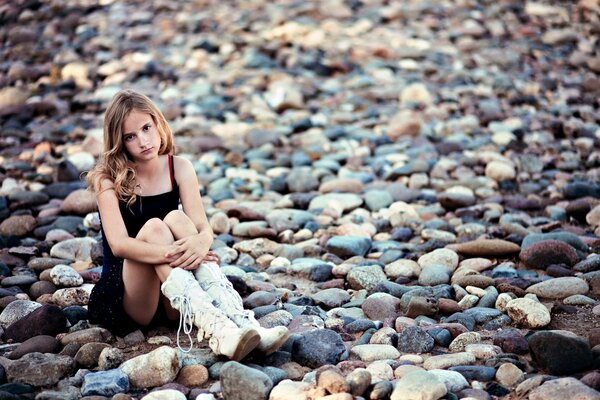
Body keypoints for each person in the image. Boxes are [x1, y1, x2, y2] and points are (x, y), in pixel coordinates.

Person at [86, 89, 288, 360]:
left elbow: (204, 230)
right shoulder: (107, 179)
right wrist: (180, 253)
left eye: (146, 128)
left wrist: (199, 245)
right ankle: (219, 331)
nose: (143, 141)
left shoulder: (179, 167)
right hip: (130, 296)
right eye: (130, 136)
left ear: (158, 123)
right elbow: (119, 245)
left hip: (177, 296)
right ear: (119, 142)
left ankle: (243, 325)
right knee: (156, 228)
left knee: (176, 219)